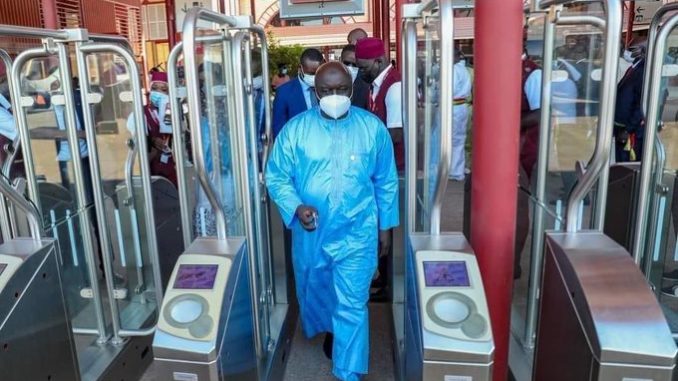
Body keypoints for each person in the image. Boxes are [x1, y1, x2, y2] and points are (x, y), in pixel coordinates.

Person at [266, 62, 399, 381]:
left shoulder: (372, 128)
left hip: (358, 233)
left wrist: (385, 227)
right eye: (327, 91)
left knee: (353, 303)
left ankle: (348, 371)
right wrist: (296, 207)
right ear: (316, 92)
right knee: (317, 289)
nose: (335, 96)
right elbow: (277, 176)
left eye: (341, 90)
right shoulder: (295, 130)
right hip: (312, 235)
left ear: (352, 90)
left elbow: (386, 180)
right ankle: (332, 329)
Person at [126, 71, 177, 186]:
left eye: (163, 89)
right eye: (155, 88)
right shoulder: (139, 114)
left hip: (174, 170)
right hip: (152, 172)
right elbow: (137, 148)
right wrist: (153, 141)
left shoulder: (176, 112)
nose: (158, 92)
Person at [272, 48, 325, 139]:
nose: (315, 77)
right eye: (311, 73)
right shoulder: (284, 92)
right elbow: (279, 129)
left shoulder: (328, 87)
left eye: (318, 72)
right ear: (300, 68)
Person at [614, 40, 646, 162]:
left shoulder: (642, 70)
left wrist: (628, 129)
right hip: (621, 124)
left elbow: (641, 103)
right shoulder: (635, 66)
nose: (630, 51)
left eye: (634, 49)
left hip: (630, 128)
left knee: (626, 162)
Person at [450, 48, 472, 181]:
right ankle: (457, 167)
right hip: (461, 105)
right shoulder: (464, 70)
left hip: (453, 106)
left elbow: (449, 89)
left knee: (452, 139)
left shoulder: (454, 70)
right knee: (459, 139)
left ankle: (455, 170)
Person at [340, 44, 369, 109]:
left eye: (355, 64)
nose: (350, 67)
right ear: (340, 60)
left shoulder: (366, 85)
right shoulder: (331, 81)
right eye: (347, 63)